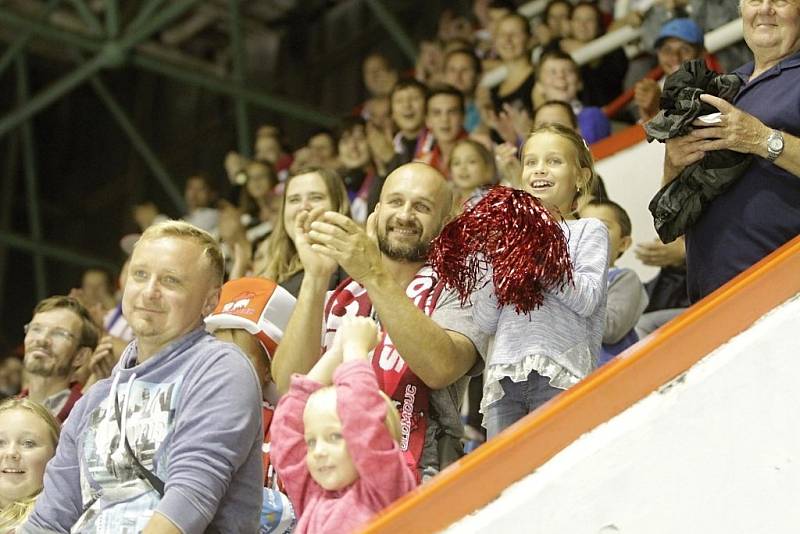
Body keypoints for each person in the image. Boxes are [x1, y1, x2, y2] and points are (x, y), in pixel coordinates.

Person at [20, 220, 264, 533]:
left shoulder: (220, 369)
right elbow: (47, 521)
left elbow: (189, 501)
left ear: (209, 301)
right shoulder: (95, 399)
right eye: (140, 275)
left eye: (171, 281)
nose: (149, 292)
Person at [271, 162, 487, 479]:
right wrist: (316, 278)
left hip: (418, 475)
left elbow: (440, 367)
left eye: (422, 207)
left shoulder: (461, 289)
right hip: (331, 476)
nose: (404, 215)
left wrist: (374, 273)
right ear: (376, 213)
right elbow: (290, 384)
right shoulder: (343, 295)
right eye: (396, 202)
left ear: (445, 223)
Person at [473, 124, 608, 438]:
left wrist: (538, 257)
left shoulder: (589, 230)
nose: (539, 169)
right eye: (530, 162)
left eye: (554, 161)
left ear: (581, 176)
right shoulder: (507, 236)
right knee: (504, 477)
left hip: (561, 375)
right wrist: (501, 267)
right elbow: (484, 320)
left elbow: (587, 300)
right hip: (503, 379)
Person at [662, 0, 800, 303]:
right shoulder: (724, 85)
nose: (765, 9)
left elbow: (759, 139)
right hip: (711, 295)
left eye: (780, 0)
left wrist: (761, 139)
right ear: (741, 9)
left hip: (783, 292)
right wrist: (673, 165)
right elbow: (673, 212)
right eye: (754, 0)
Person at [271, 317, 417, 534]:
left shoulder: (384, 491)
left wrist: (354, 349)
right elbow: (286, 431)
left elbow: (362, 419)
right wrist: (336, 353)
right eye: (311, 442)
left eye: (335, 437)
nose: (318, 451)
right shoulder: (314, 496)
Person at [204, 277, 297, 534]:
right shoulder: (187, 420)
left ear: (268, 370)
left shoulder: (288, 426)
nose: (224, 371)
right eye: (216, 357)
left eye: (241, 358)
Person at [257, 168, 351, 297]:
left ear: (338, 206)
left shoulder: (355, 270)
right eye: (294, 200)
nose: (303, 207)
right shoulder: (269, 274)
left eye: (316, 197)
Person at [580, 200, 648, 365]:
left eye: (602, 227)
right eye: (582, 227)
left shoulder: (624, 278)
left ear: (623, 244)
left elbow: (612, 328)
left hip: (611, 372)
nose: (590, 233)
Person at [19, 296, 98, 422]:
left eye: (59, 333)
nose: (42, 339)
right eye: (36, 329)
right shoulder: (6, 414)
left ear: (80, 356)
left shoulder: (90, 415)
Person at [0, 399, 60, 532]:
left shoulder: (55, 523)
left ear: (55, 455)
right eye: (0, 442)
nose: (11, 453)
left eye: (28, 443)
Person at [634, 18, 705, 123]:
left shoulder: (713, 88)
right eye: (667, 50)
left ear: (702, 54)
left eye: (684, 49)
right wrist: (647, 112)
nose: (675, 57)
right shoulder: (655, 89)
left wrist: (657, 108)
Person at [534, 49, 612, 144]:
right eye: (552, 72)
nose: (560, 76)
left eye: (568, 71)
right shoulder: (534, 126)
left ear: (579, 83)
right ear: (539, 86)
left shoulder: (593, 116)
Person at [415, 85, 467, 176]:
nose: (444, 119)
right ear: (427, 120)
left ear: (463, 117)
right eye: (437, 113)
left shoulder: (482, 152)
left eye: (452, 112)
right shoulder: (424, 164)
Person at [449, 139, 497, 209]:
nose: (463, 168)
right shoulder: (449, 202)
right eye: (456, 163)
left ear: (487, 166)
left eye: (471, 161)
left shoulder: (494, 202)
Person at [444, 48, 483, 132]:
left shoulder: (484, 111)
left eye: (465, 70)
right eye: (452, 70)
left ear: (478, 76)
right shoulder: (432, 109)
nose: (457, 76)